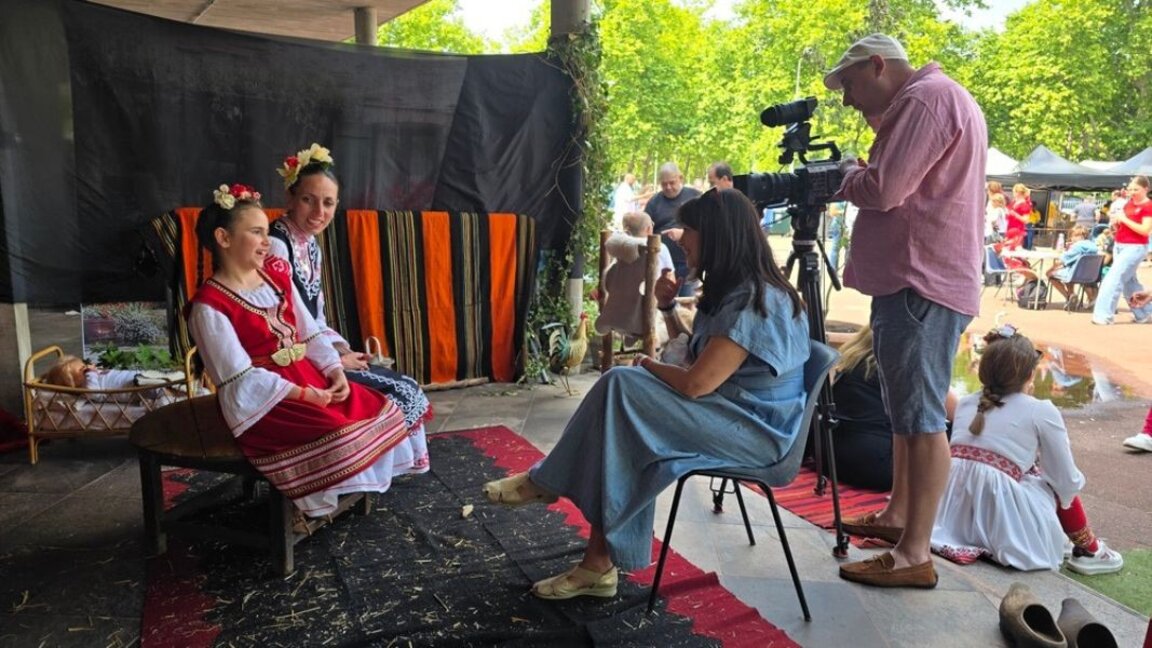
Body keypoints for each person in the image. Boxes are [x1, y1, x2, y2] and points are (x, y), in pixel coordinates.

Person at [481, 188, 809, 600]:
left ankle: (553, 489)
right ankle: (594, 561)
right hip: (728, 411)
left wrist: (649, 366)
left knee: (622, 387)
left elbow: (695, 383)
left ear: (718, 236)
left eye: (689, 229)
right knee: (622, 423)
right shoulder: (736, 290)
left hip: (755, 433)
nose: (682, 238)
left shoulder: (756, 302)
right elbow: (695, 359)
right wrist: (669, 310)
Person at [823, 33, 987, 588]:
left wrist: (844, 177)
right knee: (905, 412)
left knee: (919, 419)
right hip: (918, 278)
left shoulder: (925, 99)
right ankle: (898, 519)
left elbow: (888, 188)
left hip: (922, 280)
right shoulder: (934, 99)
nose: (845, 98)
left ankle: (915, 553)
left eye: (848, 83)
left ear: (877, 66)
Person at [186, 183, 418, 521]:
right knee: (340, 435)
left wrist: (334, 370)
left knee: (380, 408)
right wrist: (304, 395)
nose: (267, 242)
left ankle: (339, 491)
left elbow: (308, 331)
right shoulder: (208, 308)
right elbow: (239, 379)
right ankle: (311, 498)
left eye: (267, 232)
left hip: (305, 378)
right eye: (256, 232)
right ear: (223, 238)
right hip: (265, 401)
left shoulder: (275, 278)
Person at [269, 144, 433, 454]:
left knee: (405, 384)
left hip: (312, 350)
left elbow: (314, 317)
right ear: (290, 197)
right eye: (308, 200)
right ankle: (360, 468)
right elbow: (291, 321)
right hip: (290, 359)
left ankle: (375, 469)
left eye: (328, 203)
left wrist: (343, 349)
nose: (319, 213)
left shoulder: (309, 245)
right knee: (400, 392)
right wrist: (333, 361)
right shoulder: (278, 246)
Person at [931, 326, 1124, 575]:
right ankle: (1090, 549)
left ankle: (1057, 536)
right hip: (998, 519)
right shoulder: (1040, 410)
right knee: (1055, 480)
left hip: (949, 514)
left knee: (1024, 472)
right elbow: (1065, 479)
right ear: (1030, 374)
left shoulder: (967, 402)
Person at [819, 325, 956, 492]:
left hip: (829, 457)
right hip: (877, 468)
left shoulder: (850, 362)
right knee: (946, 432)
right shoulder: (906, 368)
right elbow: (961, 414)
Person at [594, 211, 674, 345]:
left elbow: (608, 281)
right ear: (649, 228)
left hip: (617, 316)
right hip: (646, 317)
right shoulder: (659, 247)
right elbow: (670, 279)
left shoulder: (619, 247)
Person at [1091, 175, 1152, 325]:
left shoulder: (1148, 206)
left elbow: (1145, 230)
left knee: (1113, 278)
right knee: (1128, 281)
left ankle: (1103, 315)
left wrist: (1124, 219)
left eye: (1136, 189)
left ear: (1146, 189)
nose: (1132, 192)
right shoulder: (1128, 203)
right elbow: (1124, 223)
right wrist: (1117, 224)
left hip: (1136, 246)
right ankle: (1145, 313)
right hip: (1120, 243)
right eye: (1130, 189)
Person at [644, 162, 701, 296]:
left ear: (680, 178)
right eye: (664, 184)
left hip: (689, 263)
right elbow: (646, 229)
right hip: (663, 265)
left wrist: (684, 234)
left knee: (687, 304)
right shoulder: (654, 202)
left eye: (672, 182)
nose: (668, 187)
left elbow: (708, 228)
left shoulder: (696, 197)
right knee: (664, 303)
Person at [1046, 225, 1100, 303]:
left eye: (1072, 236)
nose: (1071, 238)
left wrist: (1051, 269)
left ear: (1078, 236)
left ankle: (1068, 296)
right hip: (1090, 275)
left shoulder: (1077, 247)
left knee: (1050, 274)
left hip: (1075, 274)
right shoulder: (1093, 246)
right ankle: (1073, 296)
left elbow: (1061, 261)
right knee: (1067, 270)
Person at [1008, 183, 1033, 249]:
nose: (1013, 193)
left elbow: (1026, 220)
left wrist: (1015, 214)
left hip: (1017, 230)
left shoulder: (1024, 205)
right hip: (1010, 229)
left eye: (1014, 191)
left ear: (1018, 192)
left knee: (1014, 250)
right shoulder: (1014, 202)